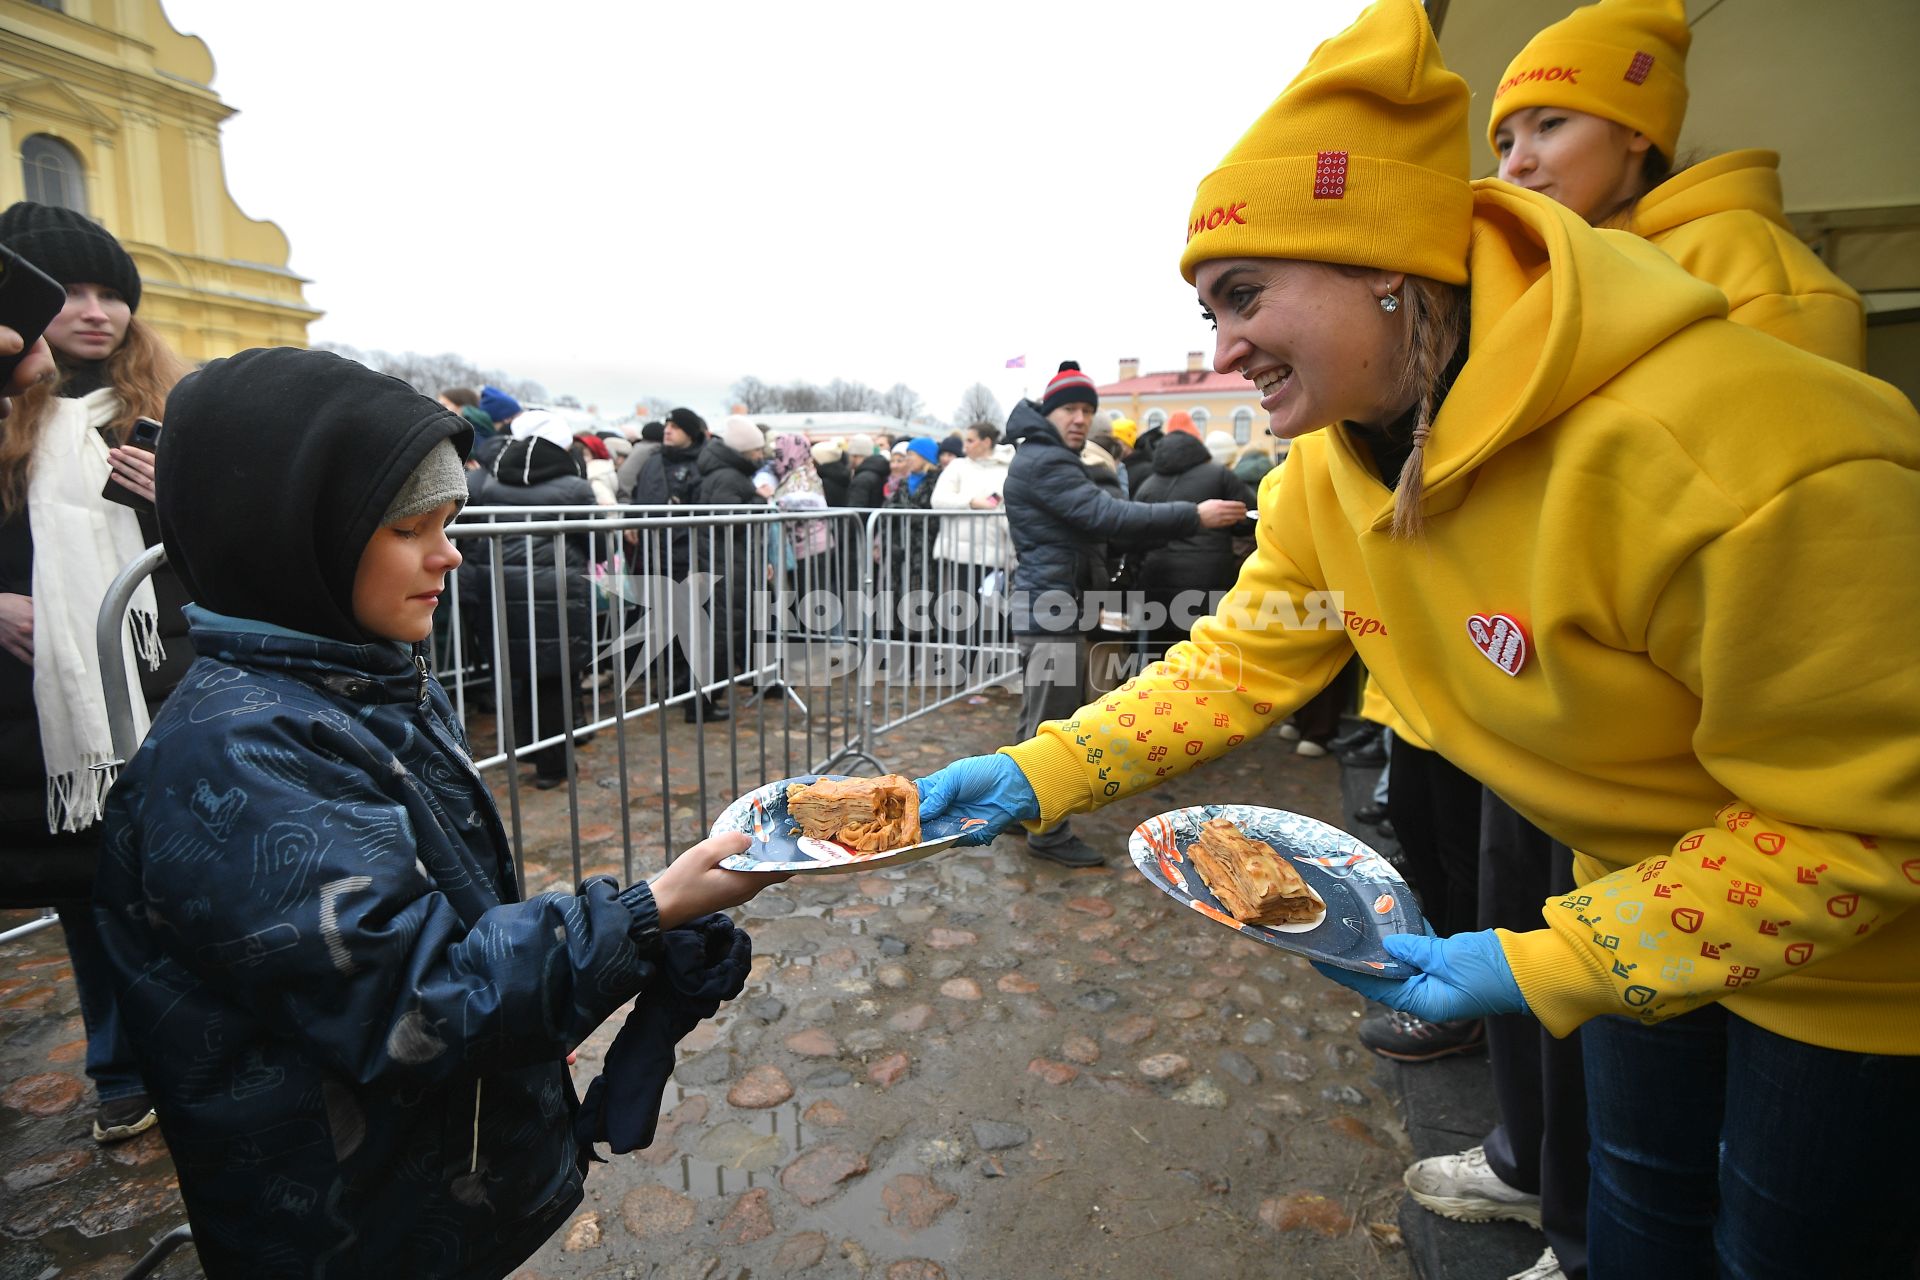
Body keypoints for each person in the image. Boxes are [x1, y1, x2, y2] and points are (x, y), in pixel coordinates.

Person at [913, 7, 1920, 1279]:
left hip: (1854, 962)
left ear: (1382, 261)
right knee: (1637, 1209)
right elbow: (1241, 660)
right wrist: (1041, 769)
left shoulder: (1747, 454)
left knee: (1789, 1246)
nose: (1220, 349)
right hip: (1623, 878)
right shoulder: (1328, 473)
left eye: (1241, 295)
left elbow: (1877, 824)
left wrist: (1553, 954)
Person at [94, 346, 782, 1278]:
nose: (449, 551)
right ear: (294, 539)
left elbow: (435, 919)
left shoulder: (359, 680)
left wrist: (647, 938)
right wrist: (645, 911)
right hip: (350, 1229)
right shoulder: (238, 753)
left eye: (449, 519)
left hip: (423, 1185)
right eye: (411, 526)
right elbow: (413, 1003)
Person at [1404, 7, 1884, 1276]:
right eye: (1501, 133)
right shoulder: (1549, 281)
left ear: (1640, 132)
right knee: (1639, 1154)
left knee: (1773, 1207)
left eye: (1548, 124)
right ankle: (1552, 1193)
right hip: (1610, 785)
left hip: (1761, 832)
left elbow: (1765, 541)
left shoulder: (1746, 271)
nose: (1515, 157)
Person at [0, 201, 190, 1144]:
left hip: (160, 687)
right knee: (88, 893)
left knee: (182, 879)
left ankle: (202, 1045)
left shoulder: (167, 409)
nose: (95, 311)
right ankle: (119, 1067)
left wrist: (178, 510)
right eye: (70, 291)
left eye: (112, 293)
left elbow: (217, 559)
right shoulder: (8, 415)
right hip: (46, 712)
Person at [997, 360, 1244, 868]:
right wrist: (1194, 514)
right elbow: (1107, 516)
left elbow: (1097, 515)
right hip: (1050, 607)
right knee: (1050, 720)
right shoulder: (1045, 460)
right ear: (1048, 412)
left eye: (1088, 409)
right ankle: (1046, 831)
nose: (1081, 418)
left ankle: (1018, 814)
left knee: (1035, 716)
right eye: (1070, 408)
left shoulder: (1047, 456)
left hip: (1052, 601)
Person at [462, 409, 601, 789]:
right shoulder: (573, 488)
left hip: (502, 587)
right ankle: (553, 765)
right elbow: (597, 546)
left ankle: (526, 748)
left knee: (517, 671)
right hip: (556, 588)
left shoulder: (487, 483)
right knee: (556, 675)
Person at [1129, 412, 1254, 657]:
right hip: (1209, 583)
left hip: (1157, 583)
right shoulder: (1220, 475)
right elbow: (1247, 520)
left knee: (1162, 661)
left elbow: (1136, 537)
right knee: (1206, 657)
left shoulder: (1148, 485)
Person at [692, 415, 769, 720]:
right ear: (744, 450)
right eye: (757, 450)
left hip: (724, 561)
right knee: (720, 635)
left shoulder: (725, 473)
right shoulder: (729, 477)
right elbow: (729, 519)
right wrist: (760, 504)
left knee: (720, 633)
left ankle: (703, 700)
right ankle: (702, 704)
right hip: (725, 563)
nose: (761, 455)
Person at [930, 421, 1013, 661]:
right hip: (960, 553)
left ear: (986, 442)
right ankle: (962, 662)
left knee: (992, 611)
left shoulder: (1009, 467)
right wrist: (971, 501)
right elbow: (939, 500)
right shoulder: (957, 467)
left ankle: (990, 664)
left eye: (970, 440)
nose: (964, 445)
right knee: (962, 608)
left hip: (994, 552)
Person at [844, 433, 889, 509]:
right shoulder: (878, 470)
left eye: (849, 455)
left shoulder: (862, 479)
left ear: (855, 455)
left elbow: (856, 509)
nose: (848, 458)